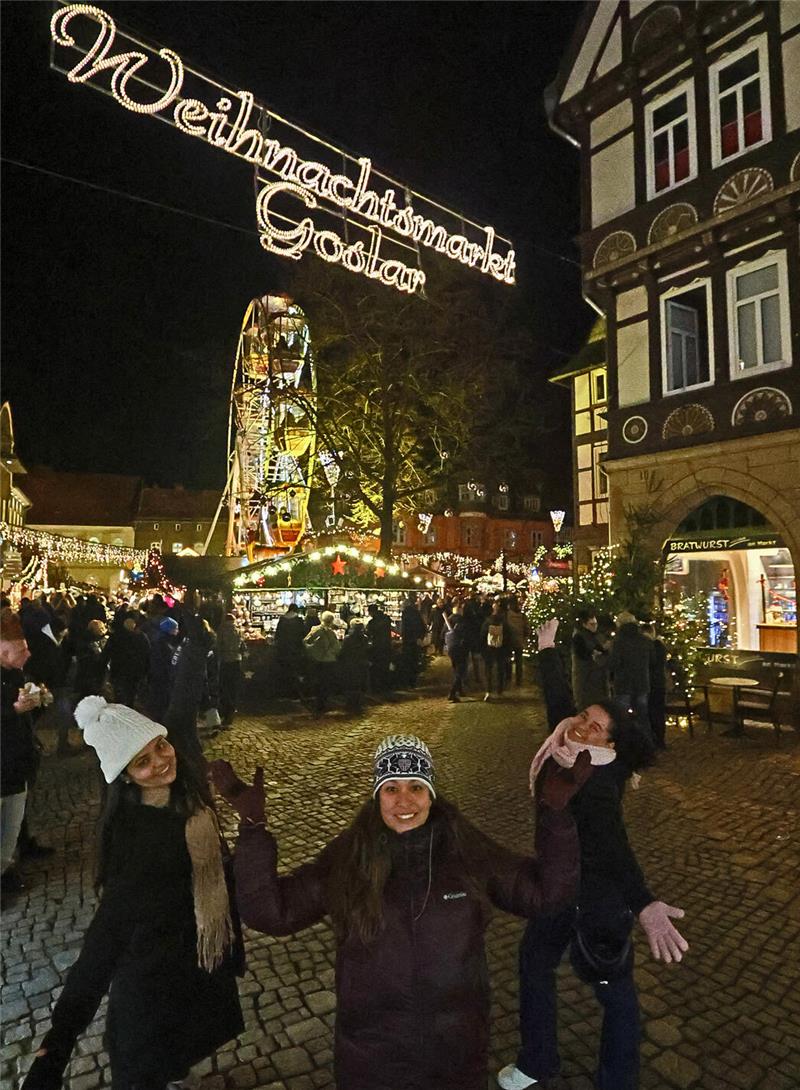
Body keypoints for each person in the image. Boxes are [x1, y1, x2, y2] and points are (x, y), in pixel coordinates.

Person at [210, 731, 592, 1090]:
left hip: (455, 1053)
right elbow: (273, 913)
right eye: (391, 788)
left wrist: (555, 816)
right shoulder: (349, 855)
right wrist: (253, 827)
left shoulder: (465, 848)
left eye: (416, 787)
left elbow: (546, 895)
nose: (404, 801)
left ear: (432, 793)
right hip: (372, 1058)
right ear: (377, 796)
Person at [497, 619, 688, 1090]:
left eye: (595, 728)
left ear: (610, 744)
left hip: (598, 898)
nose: (581, 728)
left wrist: (642, 902)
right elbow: (560, 706)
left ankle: (616, 1080)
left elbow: (611, 843)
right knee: (535, 963)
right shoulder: (567, 747)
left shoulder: (599, 781)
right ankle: (537, 1060)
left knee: (614, 990)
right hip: (558, 883)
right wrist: (546, 651)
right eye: (584, 719)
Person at [21, 694, 245, 1090]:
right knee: (148, 1068)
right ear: (123, 774)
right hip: (154, 982)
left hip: (191, 961)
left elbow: (184, 694)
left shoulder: (186, 799)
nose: (161, 761)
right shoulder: (136, 839)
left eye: (160, 745)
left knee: (180, 1053)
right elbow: (106, 936)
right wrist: (58, 1041)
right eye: (142, 762)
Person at [1, 609, 45, 908]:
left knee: (10, 829)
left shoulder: (16, 674)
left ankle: (4, 870)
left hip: (17, 765)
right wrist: (13, 710)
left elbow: (24, 719)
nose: (28, 654)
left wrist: (38, 703)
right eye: (21, 649)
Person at [608, 611, 651, 728]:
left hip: (623, 684)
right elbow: (652, 660)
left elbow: (614, 663)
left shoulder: (618, 641)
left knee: (622, 717)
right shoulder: (644, 640)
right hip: (642, 682)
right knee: (642, 716)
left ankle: (626, 743)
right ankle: (645, 742)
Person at [100, 611, 150, 708]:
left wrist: (103, 669)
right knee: (131, 694)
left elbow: (106, 654)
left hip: (118, 669)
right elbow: (146, 655)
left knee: (118, 694)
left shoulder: (116, 636)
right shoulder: (141, 637)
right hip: (134, 672)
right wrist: (145, 672)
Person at [571, 608, 610, 708]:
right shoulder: (579, 637)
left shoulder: (594, 636)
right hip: (586, 679)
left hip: (596, 679)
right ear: (584, 624)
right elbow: (582, 654)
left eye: (595, 624)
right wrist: (594, 653)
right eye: (592, 624)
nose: (595, 627)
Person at [303, 610, 341, 714]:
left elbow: (305, 642)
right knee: (326, 682)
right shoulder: (331, 633)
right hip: (329, 660)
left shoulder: (315, 630)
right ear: (332, 620)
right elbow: (337, 648)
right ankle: (323, 702)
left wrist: (313, 650)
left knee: (318, 681)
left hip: (317, 659)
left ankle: (318, 702)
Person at [216, 612, 245, 726]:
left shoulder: (221, 631)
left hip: (225, 660)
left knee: (224, 686)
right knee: (233, 686)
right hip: (236, 660)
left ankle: (224, 710)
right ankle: (231, 710)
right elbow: (243, 646)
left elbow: (218, 646)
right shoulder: (238, 631)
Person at [274, 603, 307, 698]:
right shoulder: (299, 620)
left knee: (284, 670)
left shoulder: (282, 619)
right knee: (294, 671)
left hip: (283, 649)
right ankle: (293, 692)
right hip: (295, 649)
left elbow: (278, 634)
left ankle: (283, 691)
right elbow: (303, 634)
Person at [480, 599, 511, 701]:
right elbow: (508, 636)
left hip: (489, 649)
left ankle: (488, 691)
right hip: (501, 649)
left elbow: (482, 635)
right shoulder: (504, 622)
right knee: (500, 670)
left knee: (488, 670)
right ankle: (499, 690)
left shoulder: (487, 621)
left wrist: (483, 648)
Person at [338, 618, 371, 714]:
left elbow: (343, 651)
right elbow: (367, 650)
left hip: (350, 663)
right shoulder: (364, 638)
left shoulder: (348, 638)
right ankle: (359, 702)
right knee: (359, 683)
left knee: (350, 683)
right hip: (361, 662)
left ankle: (350, 702)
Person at [644, 621, 668, 750]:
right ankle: (659, 739)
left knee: (653, 712)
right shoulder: (660, 645)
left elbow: (651, 664)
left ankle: (657, 739)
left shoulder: (653, 646)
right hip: (659, 683)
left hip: (652, 684)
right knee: (658, 712)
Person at [398, 593, 426, 688]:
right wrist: (419, 637)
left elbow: (404, 628)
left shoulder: (406, 613)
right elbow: (422, 627)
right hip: (414, 641)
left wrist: (402, 637)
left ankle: (409, 682)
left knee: (408, 661)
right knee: (414, 661)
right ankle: (413, 681)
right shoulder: (416, 612)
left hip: (408, 641)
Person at [366, 601, 393, 693]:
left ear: (371, 612)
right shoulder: (386, 619)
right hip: (386, 645)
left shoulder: (372, 622)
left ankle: (377, 687)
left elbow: (369, 634)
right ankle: (386, 686)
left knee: (376, 667)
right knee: (385, 666)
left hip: (377, 646)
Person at [444, 605, 468, 702]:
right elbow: (467, 635)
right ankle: (452, 692)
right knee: (461, 670)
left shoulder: (448, 621)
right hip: (460, 648)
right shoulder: (463, 621)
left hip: (451, 648)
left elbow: (442, 634)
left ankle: (460, 690)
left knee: (456, 669)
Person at [506, 598, 531, 687]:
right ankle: (518, 680)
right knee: (519, 661)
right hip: (519, 641)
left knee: (508, 659)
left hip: (509, 641)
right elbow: (527, 629)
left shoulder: (507, 615)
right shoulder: (522, 616)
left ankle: (508, 677)